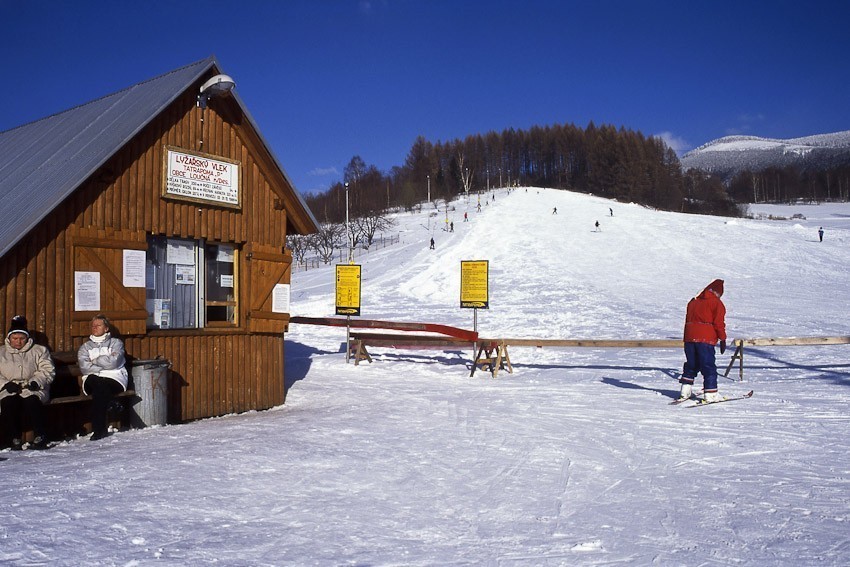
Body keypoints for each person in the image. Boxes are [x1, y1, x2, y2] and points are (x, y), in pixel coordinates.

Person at [0, 315, 55, 450]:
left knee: (32, 401)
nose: (18, 342)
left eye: (22, 338)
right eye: (15, 338)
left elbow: (47, 369)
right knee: (8, 402)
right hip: (9, 387)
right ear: (9, 338)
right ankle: (13, 437)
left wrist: (36, 381)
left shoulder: (39, 350)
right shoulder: (1, 352)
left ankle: (40, 435)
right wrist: (5, 384)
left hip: (33, 387)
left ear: (27, 338)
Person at [77, 314, 129, 441]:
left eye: (98, 325)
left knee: (99, 391)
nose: (94, 327)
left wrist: (95, 361)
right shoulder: (85, 347)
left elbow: (114, 362)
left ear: (106, 328)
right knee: (97, 383)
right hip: (91, 379)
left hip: (114, 378)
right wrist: (104, 364)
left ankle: (99, 430)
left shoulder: (116, 343)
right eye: (93, 325)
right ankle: (111, 402)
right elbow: (84, 367)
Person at [678, 279, 727, 402]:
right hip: (705, 338)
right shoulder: (716, 303)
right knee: (708, 365)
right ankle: (711, 393)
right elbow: (718, 323)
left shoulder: (693, 301)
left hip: (689, 337)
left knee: (691, 364)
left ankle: (685, 391)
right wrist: (722, 338)